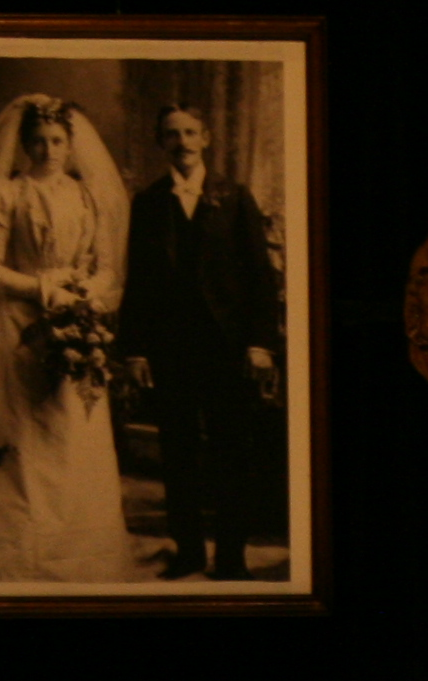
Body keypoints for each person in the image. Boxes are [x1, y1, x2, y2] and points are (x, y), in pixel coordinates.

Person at [0, 93, 132, 584]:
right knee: (23, 428)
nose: (48, 150)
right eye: (39, 141)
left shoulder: (86, 196)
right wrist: (46, 288)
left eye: (57, 141)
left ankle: (75, 539)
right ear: (24, 145)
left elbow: (106, 266)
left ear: (70, 146)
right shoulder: (9, 192)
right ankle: (22, 538)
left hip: (75, 321)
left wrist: (86, 292)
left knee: (72, 427)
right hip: (17, 329)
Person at [117, 103, 284, 582]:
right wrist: (134, 350)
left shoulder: (234, 196)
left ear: (206, 138)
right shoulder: (148, 202)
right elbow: (140, 283)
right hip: (172, 349)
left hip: (228, 348)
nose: (183, 142)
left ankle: (231, 556)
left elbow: (260, 276)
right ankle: (188, 550)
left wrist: (260, 344)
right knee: (179, 451)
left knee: (233, 451)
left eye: (191, 133)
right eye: (172, 135)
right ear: (161, 143)